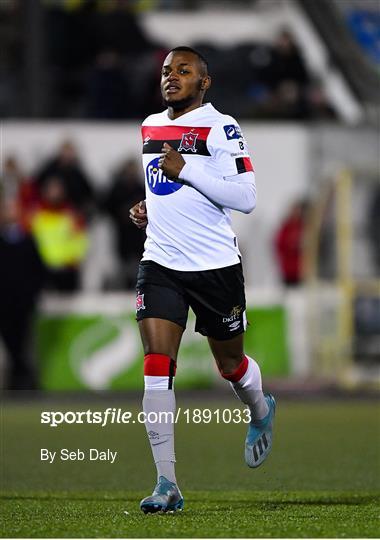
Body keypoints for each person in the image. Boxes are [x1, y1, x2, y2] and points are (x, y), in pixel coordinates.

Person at [129, 46, 276, 514]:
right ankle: (166, 483)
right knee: (156, 366)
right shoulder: (151, 125)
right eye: (167, 70)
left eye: (183, 70)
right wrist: (149, 206)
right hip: (161, 262)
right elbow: (165, 185)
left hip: (214, 268)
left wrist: (187, 168)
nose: (171, 77)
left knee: (230, 366)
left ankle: (261, 410)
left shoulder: (222, 126)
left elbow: (246, 197)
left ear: (204, 82)